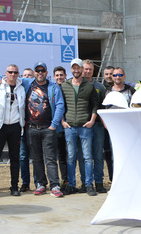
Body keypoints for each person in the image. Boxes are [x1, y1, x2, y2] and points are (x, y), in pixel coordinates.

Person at [22, 62, 65, 197]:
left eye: (42, 71)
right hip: (32, 128)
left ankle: (55, 185)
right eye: (37, 70)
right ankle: (40, 184)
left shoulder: (53, 88)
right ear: (34, 72)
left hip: (48, 128)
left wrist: (54, 125)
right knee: (36, 158)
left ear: (46, 73)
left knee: (51, 158)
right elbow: (9, 76)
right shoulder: (28, 83)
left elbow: (60, 106)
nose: (40, 73)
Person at [0, 63, 26, 196]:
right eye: (10, 72)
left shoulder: (22, 87)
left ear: (18, 74)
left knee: (15, 158)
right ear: (5, 73)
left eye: (15, 72)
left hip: (15, 126)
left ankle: (14, 186)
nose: (12, 75)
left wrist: (21, 126)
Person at [61, 58, 99, 196]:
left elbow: (95, 104)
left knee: (88, 157)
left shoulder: (89, 86)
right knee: (71, 157)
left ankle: (88, 184)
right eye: (74, 68)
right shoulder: (65, 86)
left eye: (79, 68)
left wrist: (92, 121)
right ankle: (71, 185)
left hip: (85, 126)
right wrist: (62, 122)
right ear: (71, 69)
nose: (76, 70)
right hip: (70, 127)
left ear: (82, 69)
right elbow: (61, 105)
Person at [82, 59, 107, 193]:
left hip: (97, 126)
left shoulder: (100, 87)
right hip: (82, 126)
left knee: (98, 155)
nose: (87, 71)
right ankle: (86, 183)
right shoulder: (77, 85)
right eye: (85, 69)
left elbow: (103, 107)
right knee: (85, 157)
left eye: (90, 69)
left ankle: (99, 182)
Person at [19, 66, 35, 192]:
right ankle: (25, 183)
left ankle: (38, 182)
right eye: (25, 75)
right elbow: (2, 77)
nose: (27, 78)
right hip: (22, 128)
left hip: (34, 127)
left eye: (30, 75)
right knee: (23, 156)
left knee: (36, 156)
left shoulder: (37, 88)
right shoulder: (18, 88)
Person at [53, 66, 69, 189]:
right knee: (60, 156)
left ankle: (69, 181)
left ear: (65, 76)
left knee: (70, 156)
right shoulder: (52, 89)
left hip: (69, 127)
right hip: (57, 128)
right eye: (57, 75)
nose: (59, 77)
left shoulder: (69, 88)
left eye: (61, 75)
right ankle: (62, 181)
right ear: (54, 77)